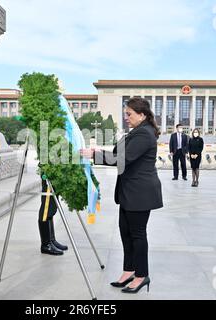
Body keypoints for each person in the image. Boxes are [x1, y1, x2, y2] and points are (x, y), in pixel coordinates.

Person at [81, 97, 163, 294]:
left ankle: (142, 275)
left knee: (137, 235)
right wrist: (98, 150)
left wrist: (94, 155)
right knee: (126, 233)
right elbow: (119, 153)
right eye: (126, 113)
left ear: (142, 115)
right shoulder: (135, 132)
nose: (126, 117)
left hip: (140, 193)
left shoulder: (144, 134)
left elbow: (123, 159)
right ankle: (129, 270)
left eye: (129, 114)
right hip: (129, 192)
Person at [38, 178, 68, 255]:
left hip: (53, 171)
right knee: (46, 208)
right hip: (48, 172)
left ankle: (51, 240)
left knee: (52, 207)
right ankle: (46, 245)